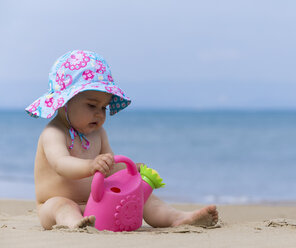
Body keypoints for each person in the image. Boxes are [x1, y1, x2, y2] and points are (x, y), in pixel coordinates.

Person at [25, 50, 218, 230]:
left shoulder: (98, 134)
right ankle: (75, 225)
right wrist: (91, 165)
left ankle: (177, 218)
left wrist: (130, 169)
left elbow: (110, 167)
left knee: (143, 195)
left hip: (97, 202)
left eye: (104, 108)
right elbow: (61, 164)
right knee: (62, 205)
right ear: (64, 102)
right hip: (53, 204)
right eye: (92, 105)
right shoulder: (54, 133)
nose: (99, 114)